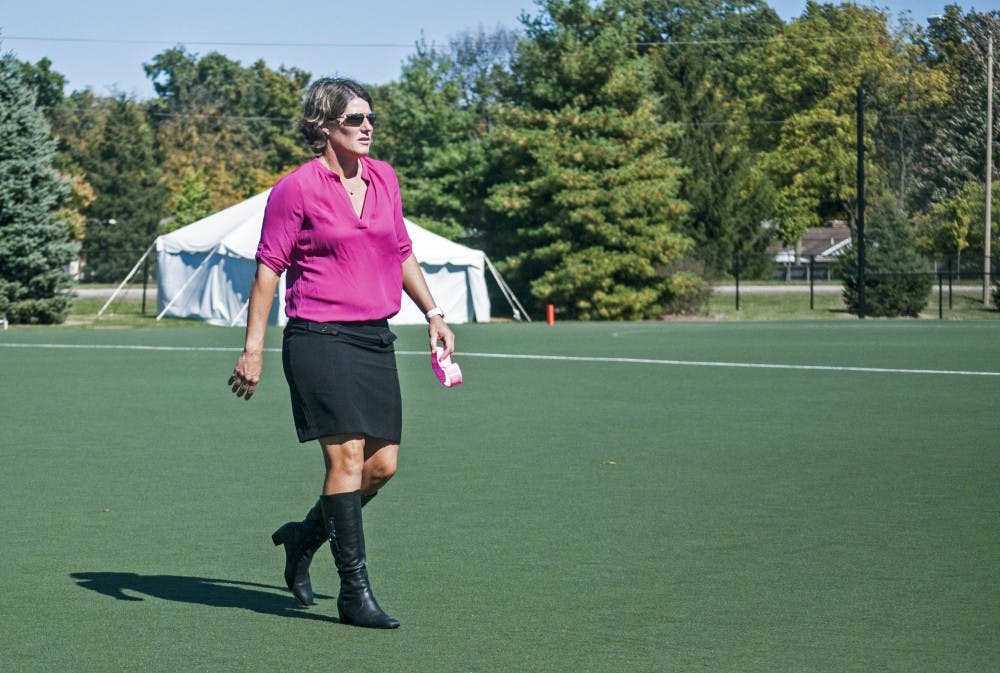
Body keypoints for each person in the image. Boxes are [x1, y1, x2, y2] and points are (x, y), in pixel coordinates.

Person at [227, 77, 455, 629]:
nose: (367, 127)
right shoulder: (296, 189)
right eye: (355, 119)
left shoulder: (384, 178)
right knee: (346, 459)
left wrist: (433, 313)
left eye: (369, 118)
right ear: (324, 125)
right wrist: (252, 350)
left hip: (374, 338)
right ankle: (355, 592)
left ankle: (303, 538)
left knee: (381, 466)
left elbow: (400, 250)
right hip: (318, 337)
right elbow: (268, 272)